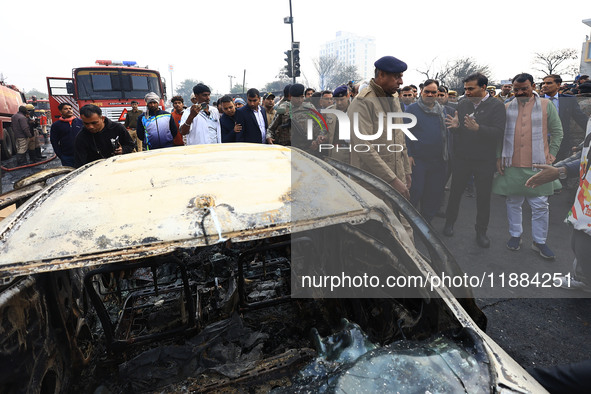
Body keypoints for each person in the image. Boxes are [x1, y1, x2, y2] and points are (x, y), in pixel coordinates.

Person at [492, 73, 563, 259]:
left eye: (524, 88)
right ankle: (515, 235)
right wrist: (499, 157)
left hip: (538, 163)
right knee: (513, 202)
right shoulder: (507, 107)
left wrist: (552, 154)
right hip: (512, 162)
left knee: (539, 205)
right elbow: (500, 136)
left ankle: (539, 241)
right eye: (517, 89)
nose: (521, 92)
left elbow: (557, 132)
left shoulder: (547, 106)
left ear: (533, 86)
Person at [443, 72, 506, 248]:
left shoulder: (496, 106)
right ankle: (449, 223)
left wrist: (479, 128)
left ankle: (481, 231)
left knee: (483, 198)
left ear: (483, 87)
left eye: (471, 88)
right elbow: (460, 130)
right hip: (462, 158)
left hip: (484, 161)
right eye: (465, 89)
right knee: (455, 193)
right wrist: (455, 128)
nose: (467, 92)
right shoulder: (463, 104)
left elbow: (499, 132)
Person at [348, 55, 412, 201]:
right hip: (373, 182)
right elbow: (363, 146)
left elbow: (400, 136)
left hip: (397, 174)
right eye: (397, 77)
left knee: (402, 221)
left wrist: (406, 171)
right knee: (382, 222)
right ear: (382, 75)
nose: (401, 82)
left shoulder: (393, 96)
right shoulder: (362, 102)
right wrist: (393, 180)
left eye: (401, 77)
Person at [405, 80, 450, 223]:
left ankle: (427, 223)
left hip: (438, 160)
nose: (430, 94)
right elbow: (405, 133)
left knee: (433, 193)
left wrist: (456, 126)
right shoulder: (412, 109)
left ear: (437, 94)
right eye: (427, 92)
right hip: (419, 160)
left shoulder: (443, 111)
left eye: (433, 92)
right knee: (416, 191)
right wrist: (409, 154)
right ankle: (409, 223)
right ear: (421, 92)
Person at [540, 74, 588, 162]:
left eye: (549, 83)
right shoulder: (536, 100)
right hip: (539, 143)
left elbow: (581, 119)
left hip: (562, 144)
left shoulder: (569, 100)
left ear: (558, 85)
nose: (545, 85)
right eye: (543, 83)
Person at [289, 83, 327, 154]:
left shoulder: (309, 107)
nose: (300, 100)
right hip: (290, 150)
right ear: (291, 97)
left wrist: (317, 141)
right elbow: (271, 129)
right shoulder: (285, 109)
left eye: (302, 97)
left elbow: (322, 126)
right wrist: (269, 137)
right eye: (297, 98)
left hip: (309, 149)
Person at [49, 103, 84, 167]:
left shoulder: (81, 122)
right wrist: (60, 155)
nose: (69, 110)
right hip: (67, 157)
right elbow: (54, 141)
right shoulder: (56, 125)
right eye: (66, 109)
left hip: (82, 155)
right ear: (60, 111)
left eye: (70, 108)